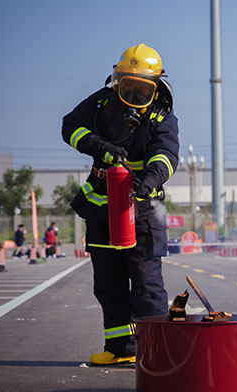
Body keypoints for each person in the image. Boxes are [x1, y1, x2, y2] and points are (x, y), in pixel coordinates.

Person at [62, 44, 179, 365]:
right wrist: (97, 144)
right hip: (101, 208)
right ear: (116, 80)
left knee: (147, 285)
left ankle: (156, 353)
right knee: (108, 284)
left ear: (156, 86)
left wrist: (151, 178)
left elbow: (167, 155)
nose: (134, 95)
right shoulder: (101, 102)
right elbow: (70, 126)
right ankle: (121, 349)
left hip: (142, 212)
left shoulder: (162, 116)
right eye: (127, 85)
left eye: (142, 89)